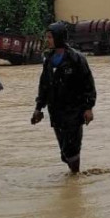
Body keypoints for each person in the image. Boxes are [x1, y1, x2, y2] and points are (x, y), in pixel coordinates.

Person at [31, 23, 97, 174]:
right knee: (64, 152)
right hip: (56, 112)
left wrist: (88, 108)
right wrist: (38, 108)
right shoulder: (48, 59)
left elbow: (88, 84)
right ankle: (74, 174)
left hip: (74, 111)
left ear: (59, 38)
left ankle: (75, 179)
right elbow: (44, 86)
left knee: (72, 148)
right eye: (47, 37)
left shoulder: (76, 59)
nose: (47, 40)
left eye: (50, 37)